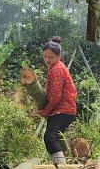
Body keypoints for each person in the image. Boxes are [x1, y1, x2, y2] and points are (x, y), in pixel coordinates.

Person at [38, 36, 76, 165]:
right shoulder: (56, 67)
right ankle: (62, 163)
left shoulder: (57, 70)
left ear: (58, 56)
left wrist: (45, 111)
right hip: (63, 110)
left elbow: (56, 98)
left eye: (51, 57)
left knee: (49, 138)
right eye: (45, 56)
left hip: (63, 110)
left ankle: (62, 166)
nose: (47, 60)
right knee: (55, 139)